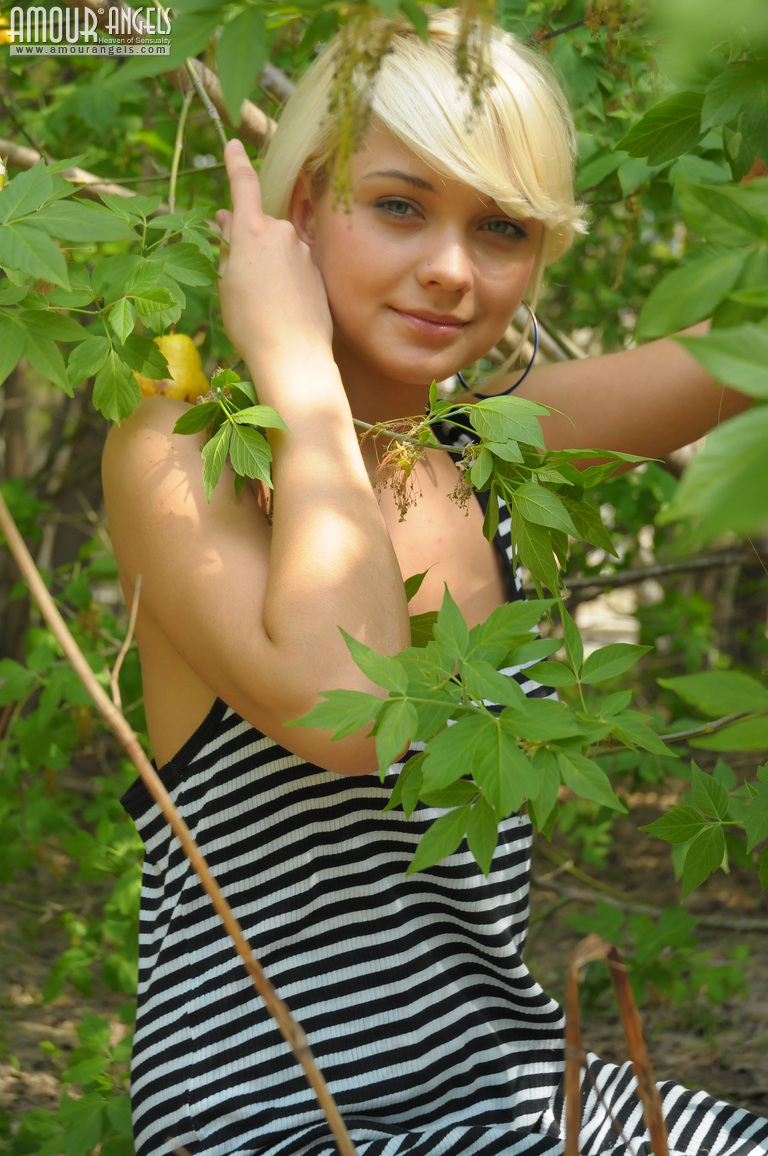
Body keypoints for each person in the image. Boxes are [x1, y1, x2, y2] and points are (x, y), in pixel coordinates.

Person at [101, 10, 768, 1156]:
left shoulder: (491, 451)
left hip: (509, 1090)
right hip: (271, 1118)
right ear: (301, 207)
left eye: (501, 227)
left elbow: (741, 346)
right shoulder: (185, 449)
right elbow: (348, 705)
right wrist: (294, 365)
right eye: (400, 206)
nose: (454, 269)